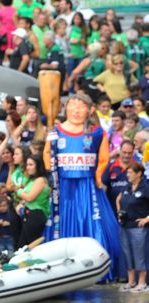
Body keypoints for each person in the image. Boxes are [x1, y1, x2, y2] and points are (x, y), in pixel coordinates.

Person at [45, 94, 121, 281]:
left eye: (81, 107)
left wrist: (98, 174)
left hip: (88, 186)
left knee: (96, 224)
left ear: (90, 110)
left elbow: (103, 158)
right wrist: (51, 171)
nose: (76, 111)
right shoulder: (56, 131)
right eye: (73, 106)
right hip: (64, 187)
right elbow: (47, 154)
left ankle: (100, 268)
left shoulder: (97, 132)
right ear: (66, 108)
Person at [116, 162, 149, 292]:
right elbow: (118, 199)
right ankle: (131, 281)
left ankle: (142, 282)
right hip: (125, 225)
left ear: (139, 173)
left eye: (130, 172)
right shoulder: (127, 187)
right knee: (127, 254)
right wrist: (119, 212)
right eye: (127, 172)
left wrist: (147, 218)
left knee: (139, 254)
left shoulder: (146, 187)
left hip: (138, 227)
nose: (127, 175)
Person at [9, 157, 50, 249]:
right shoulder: (32, 180)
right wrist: (22, 203)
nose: (28, 167)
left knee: (29, 246)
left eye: (31, 165)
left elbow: (30, 197)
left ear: (38, 166)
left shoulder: (41, 180)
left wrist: (18, 190)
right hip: (28, 214)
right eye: (27, 165)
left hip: (36, 215)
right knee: (22, 246)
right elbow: (27, 198)